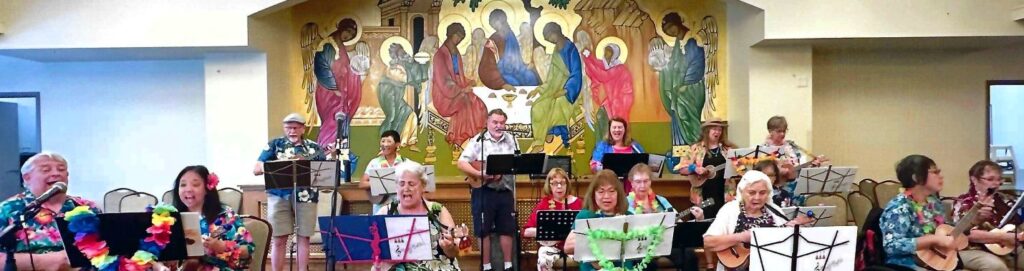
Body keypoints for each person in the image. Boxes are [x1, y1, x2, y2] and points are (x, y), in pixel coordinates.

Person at [0, 152, 101, 270]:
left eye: (61, 169)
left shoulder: (87, 207)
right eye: (46, 170)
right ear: (27, 178)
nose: (56, 174)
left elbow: (109, 250)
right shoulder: (9, 210)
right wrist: (50, 261)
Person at [252, 113, 325, 271]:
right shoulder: (274, 145)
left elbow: (325, 173)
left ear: (303, 128)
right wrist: (280, 164)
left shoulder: (314, 148)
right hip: (279, 195)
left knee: (303, 237)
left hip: (306, 195)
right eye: (288, 127)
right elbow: (257, 169)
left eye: (296, 127)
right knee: (278, 238)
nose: (292, 131)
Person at [702, 170, 814, 271]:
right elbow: (708, 242)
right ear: (742, 191)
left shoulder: (774, 210)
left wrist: (794, 229)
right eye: (751, 192)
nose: (757, 197)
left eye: (762, 193)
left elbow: (786, 241)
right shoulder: (730, 209)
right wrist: (742, 237)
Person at [456, 109, 519, 271]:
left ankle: (508, 266)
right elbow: (461, 162)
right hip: (483, 192)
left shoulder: (512, 140)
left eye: (502, 123)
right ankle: (486, 266)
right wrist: (480, 174)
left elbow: (517, 161)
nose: (498, 126)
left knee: (507, 229)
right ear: (487, 123)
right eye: (495, 122)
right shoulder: (479, 140)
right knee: (483, 230)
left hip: (505, 191)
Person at [375, 162, 464, 271]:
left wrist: (448, 247)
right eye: (402, 183)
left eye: (411, 184)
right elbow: (372, 248)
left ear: (423, 186)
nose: (406, 188)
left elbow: (453, 253)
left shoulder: (438, 210)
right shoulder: (385, 212)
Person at [168, 165, 254, 270]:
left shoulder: (226, 215)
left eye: (195, 184)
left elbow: (247, 250)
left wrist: (224, 247)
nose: (188, 189)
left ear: (207, 188)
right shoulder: (171, 218)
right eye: (183, 185)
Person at [880, 155, 958, 270]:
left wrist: (971, 222)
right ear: (916, 178)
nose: (941, 176)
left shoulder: (934, 202)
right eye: (935, 172)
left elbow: (944, 228)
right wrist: (934, 239)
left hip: (934, 258)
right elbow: (891, 245)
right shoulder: (899, 206)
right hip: (906, 263)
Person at [954, 160, 1024, 271]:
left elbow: (1018, 223)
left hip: (1010, 246)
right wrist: (1004, 238)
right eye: (990, 179)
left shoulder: (1004, 199)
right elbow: (967, 234)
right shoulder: (964, 202)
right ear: (974, 180)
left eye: (999, 179)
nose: (996, 184)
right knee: (996, 266)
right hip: (976, 248)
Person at [526, 22, 583, 150]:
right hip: (554, 89)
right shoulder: (556, 51)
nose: (550, 41)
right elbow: (551, 77)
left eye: (550, 37)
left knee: (556, 105)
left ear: (555, 32)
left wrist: (565, 91)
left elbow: (576, 73)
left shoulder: (570, 49)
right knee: (537, 107)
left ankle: (548, 134)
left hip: (568, 91)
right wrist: (539, 89)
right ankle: (540, 140)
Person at [564, 170, 634, 271]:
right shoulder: (585, 216)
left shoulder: (628, 216)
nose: (606, 196)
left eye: (611, 191)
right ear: (594, 194)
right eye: (601, 191)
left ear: (618, 194)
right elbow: (567, 247)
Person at [432, 23, 488, 148]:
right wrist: (462, 89)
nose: (459, 40)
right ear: (451, 35)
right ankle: (461, 138)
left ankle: (477, 136)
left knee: (479, 103)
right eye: (458, 37)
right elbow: (444, 80)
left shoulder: (455, 52)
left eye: (461, 38)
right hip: (444, 94)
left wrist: (468, 81)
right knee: (465, 102)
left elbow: (458, 75)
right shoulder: (440, 55)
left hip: (456, 87)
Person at [655, 12, 706, 146]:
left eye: (671, 27)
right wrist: (663, 70)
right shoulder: (678, 43)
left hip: (691, 88)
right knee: (678, 113)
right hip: (680, 89)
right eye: (666, 31)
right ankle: (684, 148)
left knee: (685, 113)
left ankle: (695, 144)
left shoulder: (693, 41)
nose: (670, 32)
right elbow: (673, 64)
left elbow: (696, 64)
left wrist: (684, 84)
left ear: (678, 23)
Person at [314, 18, 363, 148]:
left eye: (352, 35)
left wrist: (356, 74)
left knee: (339, 120)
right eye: (349, 32)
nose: (349, 36)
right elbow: (321, 66)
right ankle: (325, 152)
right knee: (332, 120)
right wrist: (334, 87)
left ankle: (339, 151)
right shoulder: (328, 44)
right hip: (328, 92)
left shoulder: (340, 46)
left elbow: (346, 70)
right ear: (342, 29)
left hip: (340, 94)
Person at [522, 168, 582, 271]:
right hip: (552, 247)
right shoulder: (544, 203)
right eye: (554, 183)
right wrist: (544, 232)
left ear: (567, 184)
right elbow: (526, 231)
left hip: (574, 247)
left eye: (562, 183)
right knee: (543, 259)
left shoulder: (578, 203)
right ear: (549, 186)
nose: (559, 186)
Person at [760, 116, 828, 204]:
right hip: (775, 193)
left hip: (795, 191)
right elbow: (761, 172)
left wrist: (812, 165)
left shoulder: (792, 147)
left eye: (784, 131)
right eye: (779, 131)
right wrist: (778, 172)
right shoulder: (763, 150)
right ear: (770, 131)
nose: (782, 134)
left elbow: (799, 167)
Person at [677, 118, 735, 219]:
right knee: (702, 225)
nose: (717, 132)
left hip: (724, 194)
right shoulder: (695, 148)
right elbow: (682, 168)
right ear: (706, 130)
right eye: (714, 129)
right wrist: (694, 168)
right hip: (703, 195)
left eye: (719, 130)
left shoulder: (728, 149)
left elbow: (739, 168)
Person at [478, 9, 541, 91]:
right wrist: (501, 83)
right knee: (514, 83)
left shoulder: (511, 35)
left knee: (531, 77)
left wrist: (525, 66)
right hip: (501, 72)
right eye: (492, 23)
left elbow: (517, 58)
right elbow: (487, 64)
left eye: (495, 21)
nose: (493, 25)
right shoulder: (493, 39)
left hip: (516, 69)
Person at [583, 41, 635, 139]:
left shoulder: (620, 68)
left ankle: (610, 148)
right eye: (605, 51)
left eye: (609, 51)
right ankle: (601, 149)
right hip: (610, 101)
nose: (606, 54)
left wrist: (588, 59)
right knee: (600, 117)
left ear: (614, 55)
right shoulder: (607, 66)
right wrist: (589, 58)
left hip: (620, 102)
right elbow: (597, 68)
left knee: (612, 125)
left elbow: (603, 75)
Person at [360, 130, 410, 214]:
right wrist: (382, 183)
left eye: (389, 141)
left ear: (397, 144)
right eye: (383, 141)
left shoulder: (406, 163)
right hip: (380, 208)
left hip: (402, 208)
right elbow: (362, 184)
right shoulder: (374, 163)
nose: (385, 144)